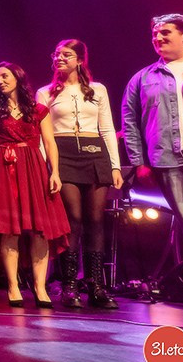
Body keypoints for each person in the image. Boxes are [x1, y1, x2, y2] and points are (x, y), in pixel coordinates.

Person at [122, 14, 183, 312]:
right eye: (155, 34)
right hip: (168, 161)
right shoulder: (142, 78)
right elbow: (130, 122)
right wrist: (139, 163)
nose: (158, 38)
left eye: (165, 32)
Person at [36, 39, 122, 309]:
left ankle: (96, 285)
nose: (60, 58)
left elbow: (107, 128)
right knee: (73, 217)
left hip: (95, 153)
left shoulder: (98, 90)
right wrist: (46, 167)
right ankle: (69, 284)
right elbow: (42, 135)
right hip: (63, 154)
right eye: (57, 54)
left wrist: (115, 165)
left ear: (80, 60)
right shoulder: (45, 93)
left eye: (67, 54)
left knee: (96, 219)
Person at [0, 62, 70, 308]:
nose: (0, 81)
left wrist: (55, 173)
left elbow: (50, 143)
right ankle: (13, 286)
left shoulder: (38, 109)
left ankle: (40, 287)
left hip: (33, 167)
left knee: (40, 229)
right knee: (9, 228)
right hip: (4, 167)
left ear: (18, 77)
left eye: (5, 76)